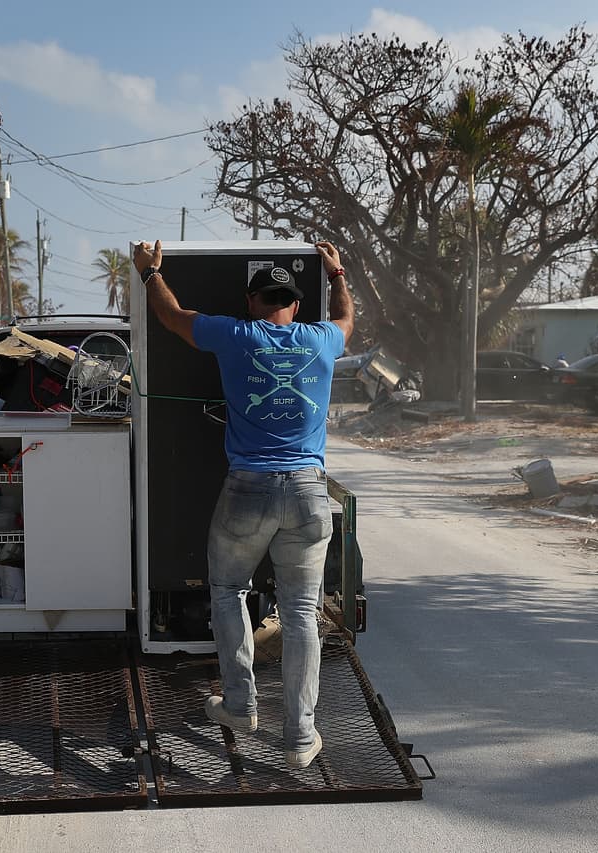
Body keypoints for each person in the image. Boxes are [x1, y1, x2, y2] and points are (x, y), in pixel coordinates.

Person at [131, 239, 354, 770]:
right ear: (296, 306)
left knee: (228, 590)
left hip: (248, 489)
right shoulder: (322, 340)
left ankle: (238, 704)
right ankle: (300, 737)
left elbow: (171, 316)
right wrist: (338, 273)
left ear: (252, 303)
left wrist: (150, 273)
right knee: (301, 613)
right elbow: (347, 321)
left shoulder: (235, 334)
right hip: (307, 491)